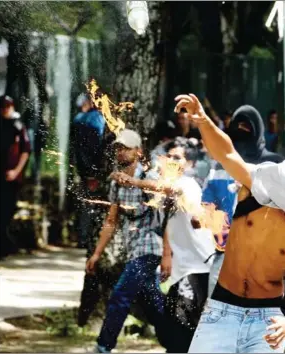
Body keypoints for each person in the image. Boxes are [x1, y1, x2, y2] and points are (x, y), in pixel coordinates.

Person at [174, 93, 285, 353]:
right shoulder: (260, 187)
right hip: (220, 312)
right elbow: (228, 154)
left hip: (267, 322)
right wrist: (203, 121)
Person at [86, 129, 166, 353]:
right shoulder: (116, 184)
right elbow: (111, 221)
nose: (120, 153)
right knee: (155, 304)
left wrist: (134, 182)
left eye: (126, 148)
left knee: (120, 296)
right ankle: (178, 341)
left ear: (138, 152)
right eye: (118, 149)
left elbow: (165, 192)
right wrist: (96, 254)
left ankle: (103, 346)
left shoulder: (148, 177)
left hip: (149, 248)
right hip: (133, 249)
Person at [204, 105, 285, 296]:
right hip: (225, 256)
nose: (241, 132)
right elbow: (208, 204)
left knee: (259, 319)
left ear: (257, 130)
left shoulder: (275, 164)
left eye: (247, 127)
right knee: (216, 317)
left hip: (264, 258)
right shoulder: (220, 165)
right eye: (237, 127)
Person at [158, 138, 215, 353]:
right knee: (173, 327)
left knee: (184, 328)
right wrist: (167, 254)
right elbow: (169, 223)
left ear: (189, 164)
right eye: (169, 157)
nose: (171, 161)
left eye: (177, 158)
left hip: (199, 266)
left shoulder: (186, 185)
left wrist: (132, 181)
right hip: (183, 268)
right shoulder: (170, 187)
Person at [71, 93, 107, 248]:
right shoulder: (95, 119)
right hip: (93, 170)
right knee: (92, 203)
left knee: (86, 203)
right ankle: (87, 238)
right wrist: (93, 172)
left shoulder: (78, 119)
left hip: (83, 169)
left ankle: (83, 237)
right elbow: (93, 147)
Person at [0, 95, 31, 259]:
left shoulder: (17, 125)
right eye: (2, 107)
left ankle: (4, 247)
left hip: (11, 177)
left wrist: (16, 171)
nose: (5, 110)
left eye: (8, 106)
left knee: (6, 211)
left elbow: (26, 150)